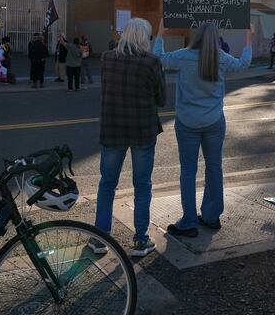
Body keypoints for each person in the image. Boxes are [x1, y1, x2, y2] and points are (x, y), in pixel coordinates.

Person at [154, 20, 254, 237]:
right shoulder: (221, 58)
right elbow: (243, 64)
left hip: (187, 122)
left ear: (196, 36)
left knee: (188, 171)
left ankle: (189, 221)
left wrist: (160, 33)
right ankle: (211, 216)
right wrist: (248, 40)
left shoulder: (183, 56)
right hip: (214, 121)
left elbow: (159, 59)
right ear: (216, 38)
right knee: (214, 167)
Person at [94, 18, 166, 256]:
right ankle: (140, 240)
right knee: (142, 186)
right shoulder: (151, 62)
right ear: (145, 38)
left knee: (107, 184)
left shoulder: (106, 58)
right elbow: (162, 99)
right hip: (142, 132)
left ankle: (99, 239)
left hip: (112, 131)